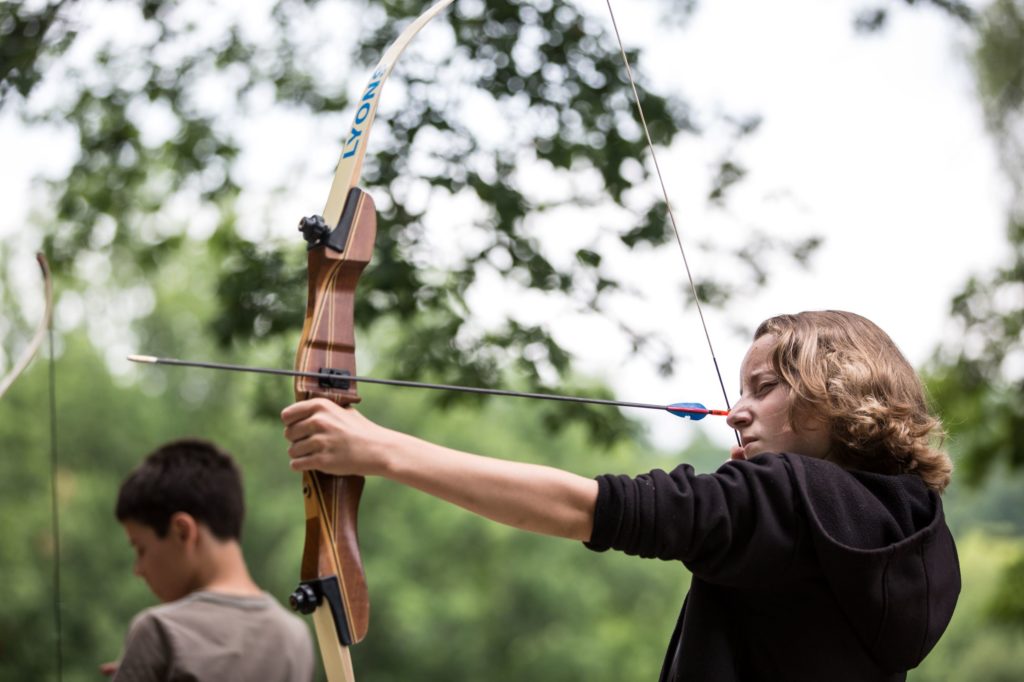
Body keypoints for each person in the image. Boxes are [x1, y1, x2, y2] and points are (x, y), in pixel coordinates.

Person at [280, 310, 961, 681]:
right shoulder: (911, 537)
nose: (738, 412)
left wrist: (378, 451)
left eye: (764, 388)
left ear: (833, 395)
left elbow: (592, 508)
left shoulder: (787, 499)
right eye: (740, 391)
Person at [105, 438, 314, 682]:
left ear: (182, 531)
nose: (138, 569)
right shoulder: (295, 637)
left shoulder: (159, 631)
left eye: (140, 549)